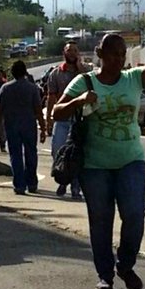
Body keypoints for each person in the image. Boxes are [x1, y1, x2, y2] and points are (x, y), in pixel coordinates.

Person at [53, 19, 145, 289]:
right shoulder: (83, 81)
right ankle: (105, 274)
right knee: (100, 220)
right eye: (114, 54)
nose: (119, 59)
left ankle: (125, 264)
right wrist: (78, 101)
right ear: (100, 55)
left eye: (123, 54)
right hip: (94, 165)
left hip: (131, 160)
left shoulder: (133, 79)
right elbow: (56, 112)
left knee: (134, 215)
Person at [0, 60, 47, 195]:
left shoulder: (5, 88)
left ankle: (19, 185)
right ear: (25, 72)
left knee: (15, 155)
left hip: (12, 125)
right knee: (31, 154)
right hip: (29, 125)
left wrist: (0, 130)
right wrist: (43, 129)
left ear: (11, 73)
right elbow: (38, 110)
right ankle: (32, 183)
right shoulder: (32, 88)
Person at [46, 42, 89, 199]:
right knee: (57, 150)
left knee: (78, 154)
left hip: (80, 120)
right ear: (63, 52)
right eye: (69, 50)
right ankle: (63, 176)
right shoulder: (56, 74)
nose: (72, 53)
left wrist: (80, 68)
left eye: (75, 51)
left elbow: (92, 85)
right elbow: (51, 98)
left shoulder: (85, 72)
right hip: (62, 119)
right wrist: (48, 119)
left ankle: (75, 186)